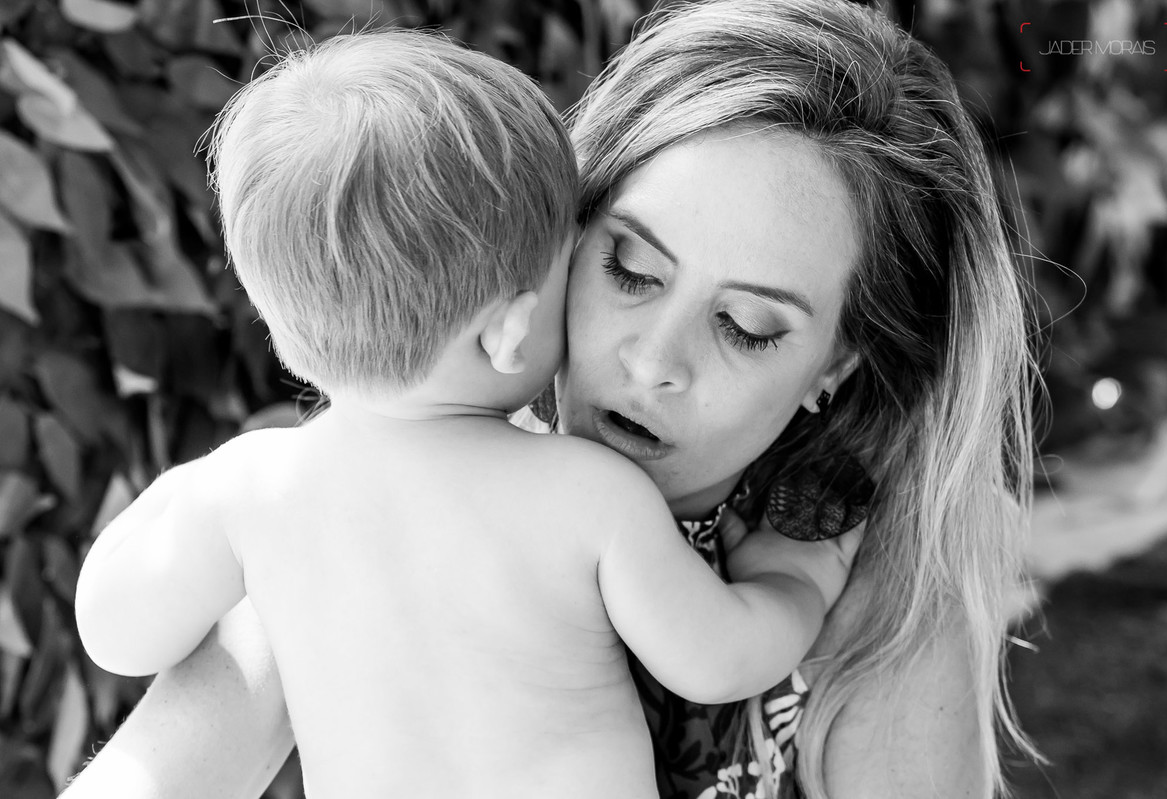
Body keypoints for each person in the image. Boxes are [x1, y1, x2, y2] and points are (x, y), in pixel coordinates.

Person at [63, 1, 1037, 798]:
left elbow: (113, 627)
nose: (654, 359)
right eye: (629, 266)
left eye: (745, 325)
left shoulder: (272, 496)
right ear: (561, 240)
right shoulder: (461, 508)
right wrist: (792, 583)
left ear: (841, 363)